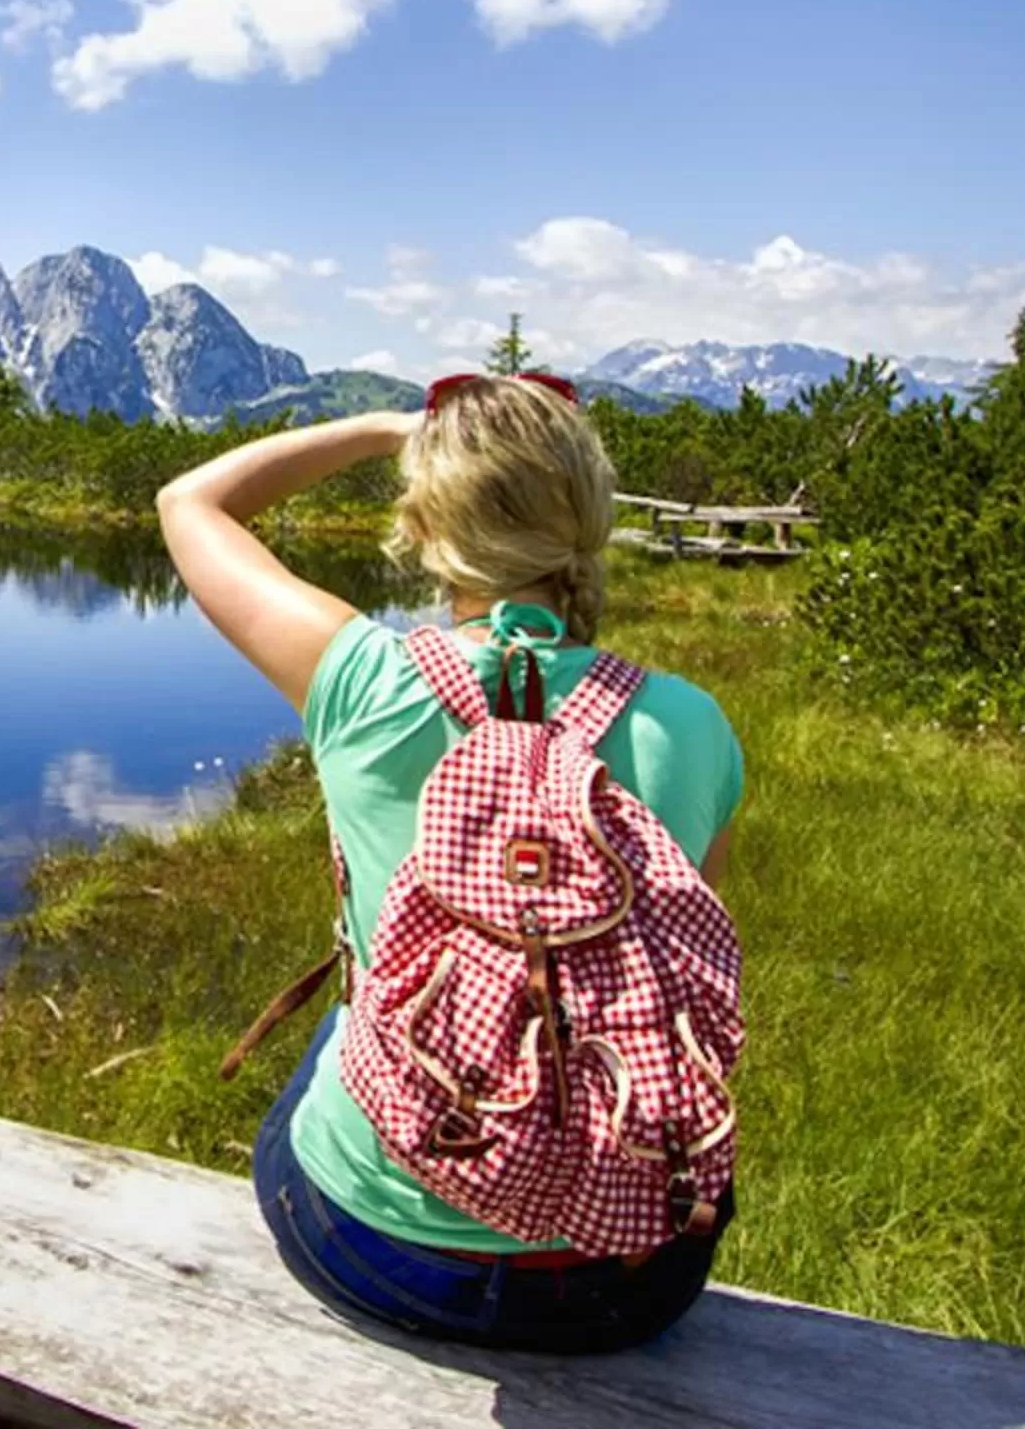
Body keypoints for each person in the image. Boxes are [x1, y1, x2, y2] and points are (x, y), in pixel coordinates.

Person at [154, 373, 745, 1354]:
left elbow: (191, 501)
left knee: (343, 1036)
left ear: (427, 526)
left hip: (384, 1253)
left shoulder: (364, 681)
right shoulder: (694, 724)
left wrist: (391, 429)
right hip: (628, 1279)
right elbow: (684, 966)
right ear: (588, 524)